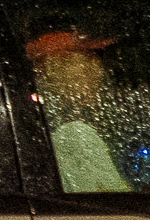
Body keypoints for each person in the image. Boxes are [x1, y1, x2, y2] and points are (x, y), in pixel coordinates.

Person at [25, 27, 131, 191]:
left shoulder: (46, 128)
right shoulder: (76, 135)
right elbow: (112, 202)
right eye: (89, 58)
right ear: (59, 69)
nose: (99, 67)